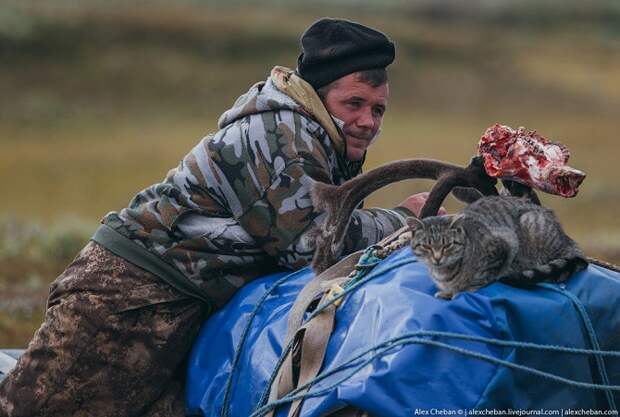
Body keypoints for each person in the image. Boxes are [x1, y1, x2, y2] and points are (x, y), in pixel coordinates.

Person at [0, 18, 433, 417]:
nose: (366, 122)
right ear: (317, 94)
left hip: (188, 309)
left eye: (378, 110)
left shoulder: (314, 135)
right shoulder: (278, 132)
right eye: (354, 102)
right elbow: (312, 244)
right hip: (125, 299)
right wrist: (402, 220)